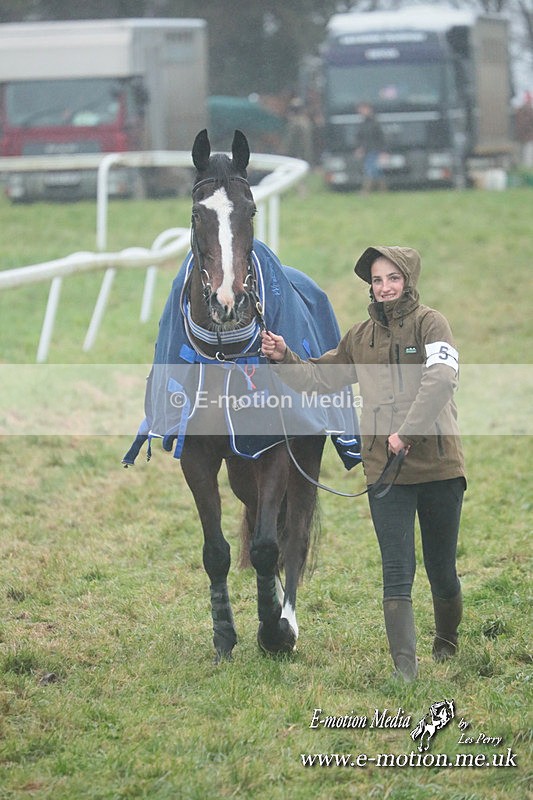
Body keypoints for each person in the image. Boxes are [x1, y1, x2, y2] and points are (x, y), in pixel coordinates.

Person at [261, 246, 466, 682]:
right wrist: (284, 359)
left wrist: (406, 433)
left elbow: (442, 379)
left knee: (441, 570)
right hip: (384, 471)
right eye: (377, 280)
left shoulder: (433, 324)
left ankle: (446, 642)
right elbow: (320, 377)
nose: (385, 287)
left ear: (407, 280)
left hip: (439, 468)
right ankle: (404, 672)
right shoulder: (359, 337)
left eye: (392, 278)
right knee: (396, 570)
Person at [355, 102, 387, 193]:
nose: (361, 111)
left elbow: (381, 138)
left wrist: (383, 152)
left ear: (369, 109)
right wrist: (359, 148)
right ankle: (383, 191)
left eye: (363, 109)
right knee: (377, 172)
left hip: (375, 150)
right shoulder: (362, 123)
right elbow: (360, 138)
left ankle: (365, 191)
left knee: (370, 170)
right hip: (366, 150)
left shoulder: (375, 123)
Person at [514, 91, 533, 168]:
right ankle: (526, 169)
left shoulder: (519, 110)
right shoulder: (530, 111)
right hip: (528, 137)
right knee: (527, 156)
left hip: (521, 137)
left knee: (523, 155)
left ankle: (523, 168)